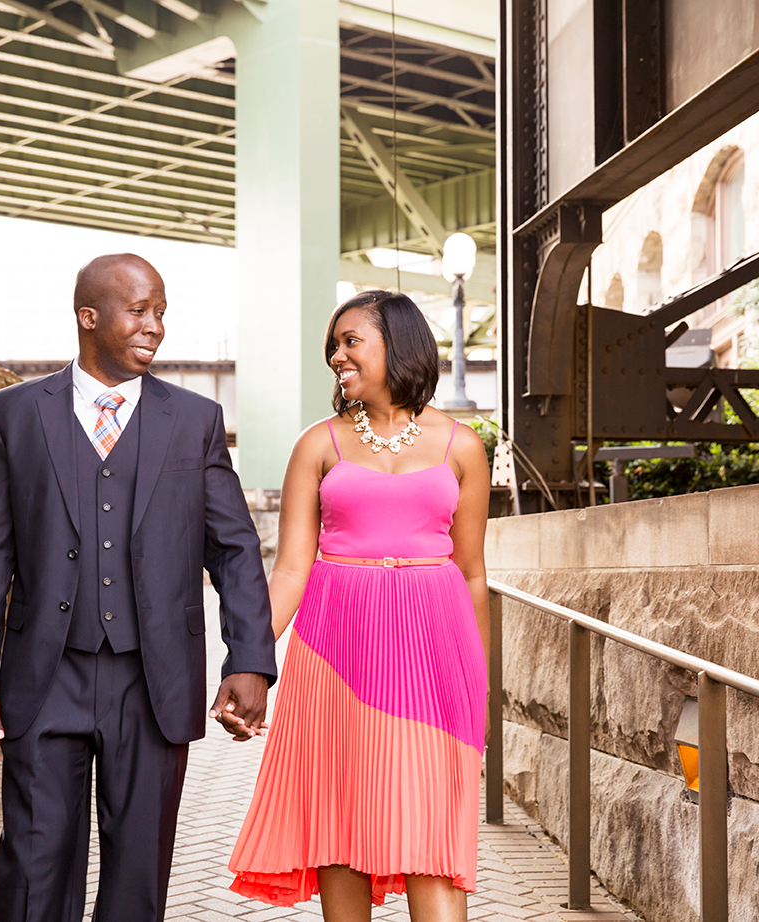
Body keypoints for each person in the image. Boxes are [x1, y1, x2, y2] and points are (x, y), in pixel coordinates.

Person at [0, 253, 277, 922]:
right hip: (44, 675)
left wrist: (249, 660)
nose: (155, 326)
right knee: (33, 863)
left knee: (138, 871)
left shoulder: (195, 420)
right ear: (88, 316)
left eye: (161, 312)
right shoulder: (15, 414)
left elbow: (235, 546)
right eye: (139, 310)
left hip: (152, 679)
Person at [227, 289, 491, 920]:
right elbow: (290, 568)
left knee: (431, 828)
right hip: (336, 648)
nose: (337, 358)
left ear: (397, 345)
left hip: (434, 655)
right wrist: (247, 661)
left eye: (351, 342)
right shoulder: (318, 444)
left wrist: (481, 682)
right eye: (333, 347)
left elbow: (473, 573)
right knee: (342, 822)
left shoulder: (462, 447)